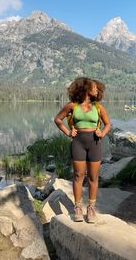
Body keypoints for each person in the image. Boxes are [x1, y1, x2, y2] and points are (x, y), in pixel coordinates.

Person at [54, 77, 111, 223]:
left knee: (93, 177)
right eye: (94, 87)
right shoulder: (72, 106)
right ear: (85, 88)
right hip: (78, 142)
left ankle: (91, 208)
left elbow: (108, 124)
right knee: (78, 175)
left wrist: (102, 133)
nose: (96, 90)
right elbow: (57, 119)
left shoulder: (98, 107)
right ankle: (78, 207)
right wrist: (68, 133)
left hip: (95, 143)